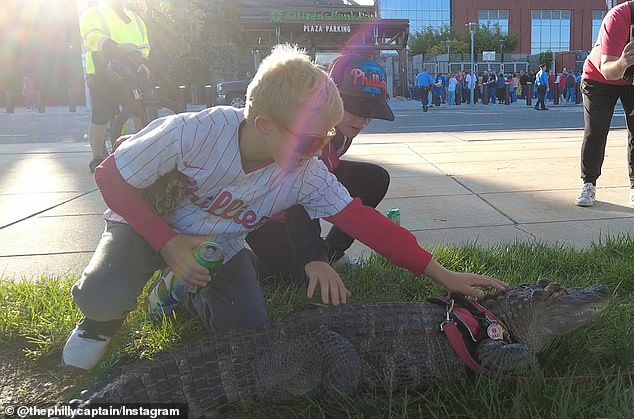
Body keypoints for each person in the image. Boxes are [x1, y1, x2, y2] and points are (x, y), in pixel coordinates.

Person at [61, 44, 508, 371]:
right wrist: (166, 241)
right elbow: (110, 176)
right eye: (315, 138)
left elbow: (363, 222)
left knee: (249, 332)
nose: (324, 149)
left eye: (331, 137)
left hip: (218, 244)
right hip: (147, 227)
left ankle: (178, 291)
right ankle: (102, 320)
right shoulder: (193, 132)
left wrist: (442, 275)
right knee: (105, 295)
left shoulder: (304, 169)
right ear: (265, 124)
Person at [245, 54, 394, 278]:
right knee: (295, 277)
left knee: (374, 178)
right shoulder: (312, 131)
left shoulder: (344, 128)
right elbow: (299, 196)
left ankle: (333, 254)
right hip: (265, 207)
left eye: (370, 112)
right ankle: (241, 264)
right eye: (355, 109)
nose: (362, 120)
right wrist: (313, 256)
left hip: (304, 183)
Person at [79, 0, 150, 173]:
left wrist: (144, 62)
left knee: (137, 110)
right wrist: (114, 48)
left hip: (130, 68)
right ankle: (97, 158)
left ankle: (146, 150)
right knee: (102, 113)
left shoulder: (136, 19)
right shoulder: (94, 13)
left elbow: (145, 46)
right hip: (101, 70)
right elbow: (94, 38)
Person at [575, 1, 634, 208]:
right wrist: (625, 61)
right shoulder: (617, 17)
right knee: (597, 131)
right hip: (600, 78)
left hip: (632, 80)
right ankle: (588, 183)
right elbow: (609, 70)